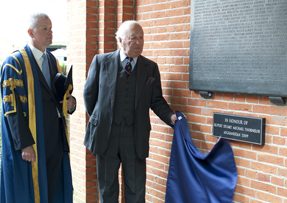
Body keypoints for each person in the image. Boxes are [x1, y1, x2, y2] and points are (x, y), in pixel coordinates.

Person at [83, 20, 177, 203]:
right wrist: (100, 120)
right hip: (105, 136)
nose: (138, 42)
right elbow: (89, 96)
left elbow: (156, 100)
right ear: (120, 40)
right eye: (133, 38)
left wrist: (171, 117)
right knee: (107, 190)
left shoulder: (150, 68)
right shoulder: (101, 62)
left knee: (136, 191)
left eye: (141, 38)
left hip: (135, 138)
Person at [0, 13, 76, 203]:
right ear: (30, 32)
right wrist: (24, 143)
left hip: (54, 141)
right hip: (31, 141)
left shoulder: (52, 60)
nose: (50, 33)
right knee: (28, 193)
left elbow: (59, 98)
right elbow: (11, 108)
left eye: (51, 28)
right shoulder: (14, 63)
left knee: (51, 192)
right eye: (45, 29)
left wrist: (70, 103)